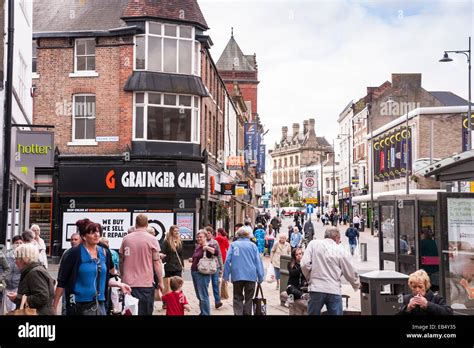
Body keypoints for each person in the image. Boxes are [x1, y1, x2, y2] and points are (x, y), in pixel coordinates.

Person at [53, 220, 131, 315]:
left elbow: (104, 279)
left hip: (100, 305)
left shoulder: (105, 253)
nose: (97, 235)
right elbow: (62, 282)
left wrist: (119, 284)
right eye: (92, 233)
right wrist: (54, 307)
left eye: (98, 232)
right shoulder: (73, 254)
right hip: (78, 306)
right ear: (84, 237)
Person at [301, 226, 360, 315]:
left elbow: (304, 264)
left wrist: (310, 277)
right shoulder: (340, 249)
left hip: (316, 288)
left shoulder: (313, 244)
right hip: (333, 288)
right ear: (337, 237)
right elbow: (349, 269)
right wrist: (357, 284)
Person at [119, 214, 163, 315]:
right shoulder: (152, 239)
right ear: (147, 224)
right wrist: (160, 281)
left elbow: (121, 260)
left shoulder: (126, 239)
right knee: (145, 311)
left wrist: (122, 276)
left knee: (130, 312)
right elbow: (156, 262)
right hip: (146, 283)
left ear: (135, 223)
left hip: (128, 283)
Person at [223, 227, 264, 315]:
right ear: (248, 235)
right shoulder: (253, 246)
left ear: (238, 235)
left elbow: (227, 261)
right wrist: (260, 276)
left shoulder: (233, 245)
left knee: (237, 297)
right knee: (249, 298)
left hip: (237, 275)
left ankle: (238, 313)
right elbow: (258, 262)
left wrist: (225, 276)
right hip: (251, 276)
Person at [6, 243, 55, 315]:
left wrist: (18, 298)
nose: (15, 261)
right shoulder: (33, 270)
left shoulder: (35, 272)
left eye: (17, 258)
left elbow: (42, 297)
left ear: (25, 259)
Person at [189, 230, 216, 315]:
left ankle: (206, 313)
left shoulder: (208, 245)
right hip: (195, 272)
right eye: (198, 237)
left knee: (203, 295)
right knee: (199, 295)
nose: (199, 238)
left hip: (202, 273)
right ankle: (203, 312)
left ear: (205, 237)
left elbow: (216, 252)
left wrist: (206, 247)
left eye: (201, 237)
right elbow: (196, 257)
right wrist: (192, 260)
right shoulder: (198, 247)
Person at [161, 225, 184, 309]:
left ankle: (178, 301)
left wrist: (182, 265)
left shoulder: (180, 241)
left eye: (178, 231)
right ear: (171, 232)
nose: (177, 233)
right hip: (169, 266)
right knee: (168, 285)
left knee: (178, 284)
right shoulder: (166, 241)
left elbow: (181, 254)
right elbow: (162, 253)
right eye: (175, 231)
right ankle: (166, 302)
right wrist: (164, 261)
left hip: (177, 266)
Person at [205, 226, 224, 309]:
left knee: (215, 284)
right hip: (205, 266)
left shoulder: (215, 242)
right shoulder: (202, 241)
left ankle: (217, 301)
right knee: (205, 284)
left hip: (215, 265)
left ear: (212, 234)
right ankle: (205, 301)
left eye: (209, 233)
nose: (208, 235)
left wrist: (221, 266)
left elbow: (219, 254)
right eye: (206, 233)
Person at [3, 235, 22, 313]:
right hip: (7, 286)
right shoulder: (7, 255)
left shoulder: (24, 256)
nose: (19, 244)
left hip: (18, 286)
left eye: (21, 242)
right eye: (16, 243)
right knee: (9, 309)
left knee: (16, 309)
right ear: (13, 244)